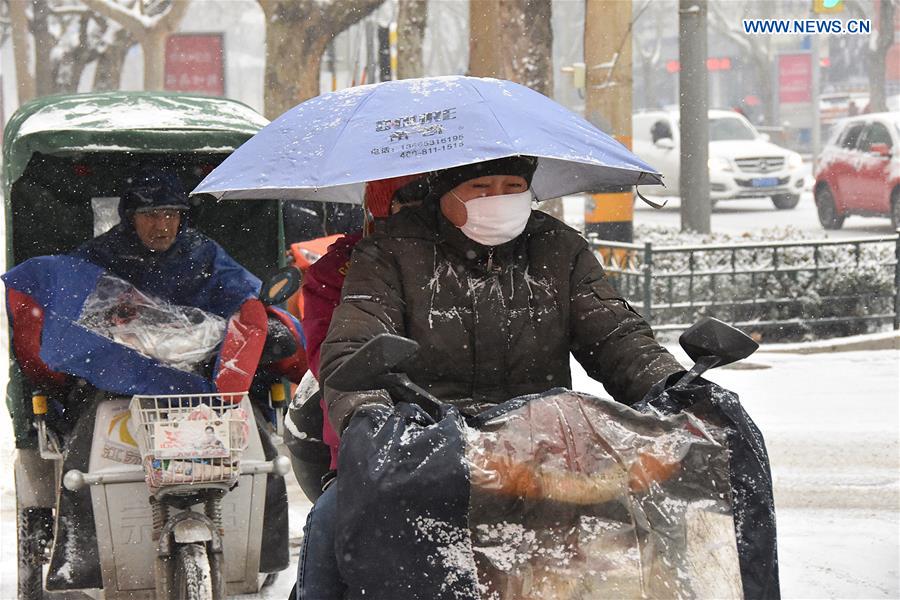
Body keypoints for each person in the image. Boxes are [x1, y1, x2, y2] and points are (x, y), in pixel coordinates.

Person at [295, 156, 683, 598]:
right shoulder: (388, 252)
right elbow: (352, 351)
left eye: (512, 184)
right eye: (481, 187)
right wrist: (374, 420)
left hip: (540, 452)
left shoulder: (558, 248)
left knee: (650, 532)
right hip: (425, 453)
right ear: (446, 192)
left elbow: (617, 336)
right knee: (332, 520)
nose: (499, 198)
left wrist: (674, 387)